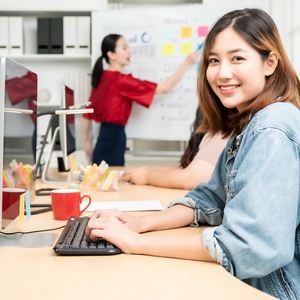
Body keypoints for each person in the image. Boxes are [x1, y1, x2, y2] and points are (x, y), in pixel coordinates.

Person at [85, 8, 300, 299]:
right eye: (214, 60)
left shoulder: (272, 128)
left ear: (269, 62)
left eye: (237, 58)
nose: (222, 73)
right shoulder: (250, 123)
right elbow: (210, 197)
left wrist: (136, 242)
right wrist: (139, 223)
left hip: (273, 288)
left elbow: (251, 246)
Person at [82, 34, 199, 166]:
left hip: (102, 139)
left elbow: (86, 114)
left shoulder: (101, 76)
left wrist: (86, 142)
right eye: (124, 48)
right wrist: (187, 63)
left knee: (99, 181)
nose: (130, 51)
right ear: (111, 55)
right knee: (110, 181)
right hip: (114, 139)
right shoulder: (122, 81)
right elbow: (165, 88)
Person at [123, 106, 228, 189]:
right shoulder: (214, 132)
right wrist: (154, 169)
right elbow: (193, 167)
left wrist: (146, 176)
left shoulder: (222, 134)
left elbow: (189, 178)